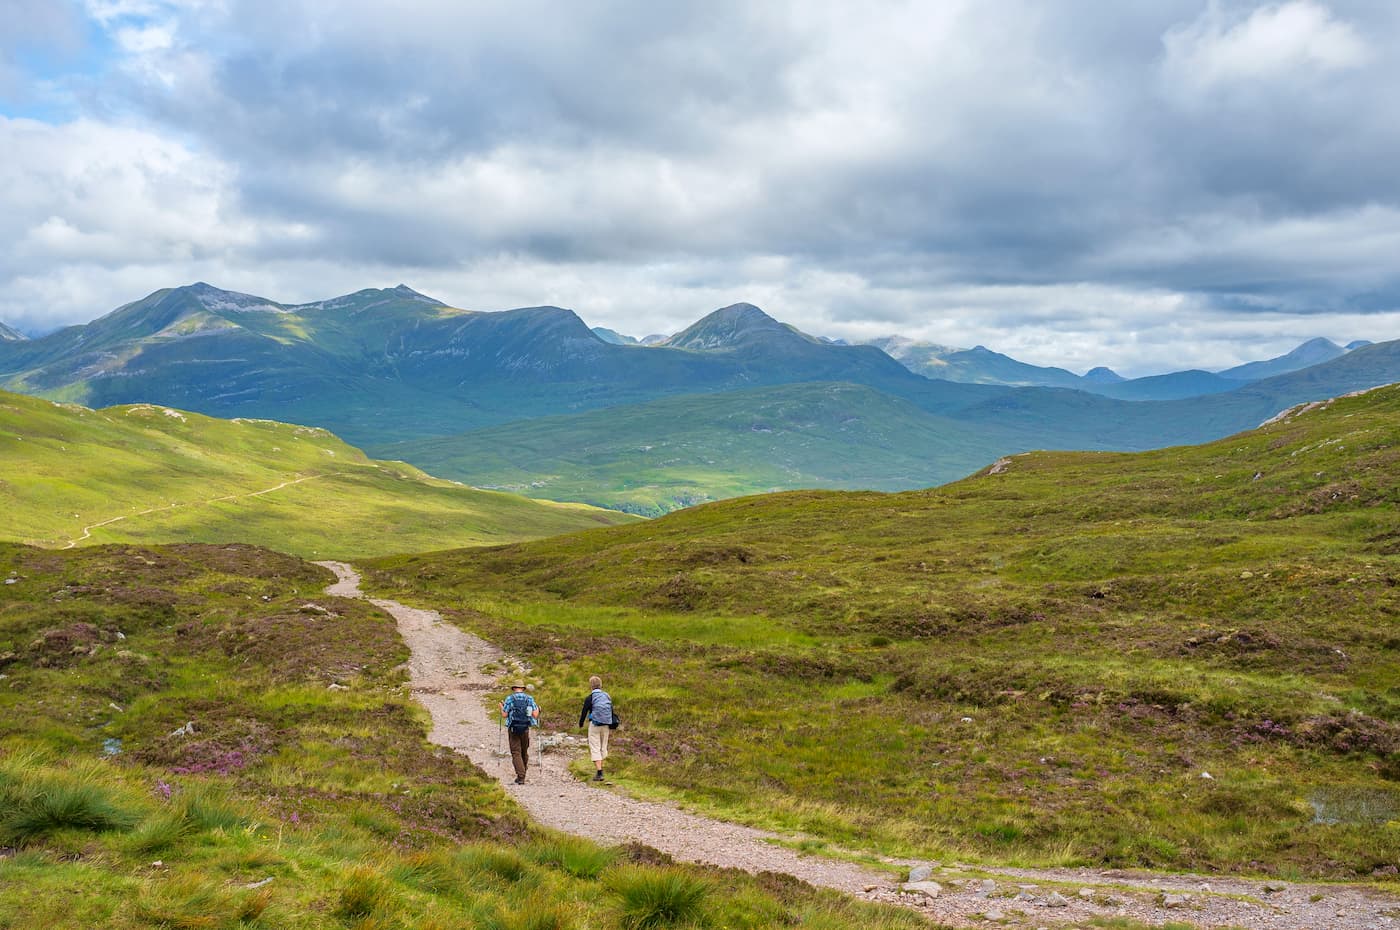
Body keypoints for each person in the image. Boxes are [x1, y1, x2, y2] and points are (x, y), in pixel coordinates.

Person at [577, 675, 616, 781]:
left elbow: (584, 711)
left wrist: (581, 723)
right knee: (603, 747)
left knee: (595, 747)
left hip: (594, 725)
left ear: (591, 686)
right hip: (606, 724)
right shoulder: (607, 696)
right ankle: (601, 766)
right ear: (600, 685)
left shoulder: (590, 697)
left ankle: (599, 772)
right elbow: (611, 710)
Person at [501, 681, 539, 784]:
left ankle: (521, 776)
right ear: (523, 688)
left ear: (514, 688)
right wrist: (539, 709)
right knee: (524, 751)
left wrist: (501, 707)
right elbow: (535, 714)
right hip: (525, 727)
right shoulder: (529, 698)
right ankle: (523, 771)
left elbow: (504, 715)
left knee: (515, 752)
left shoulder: (510, 698)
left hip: (513, 728)